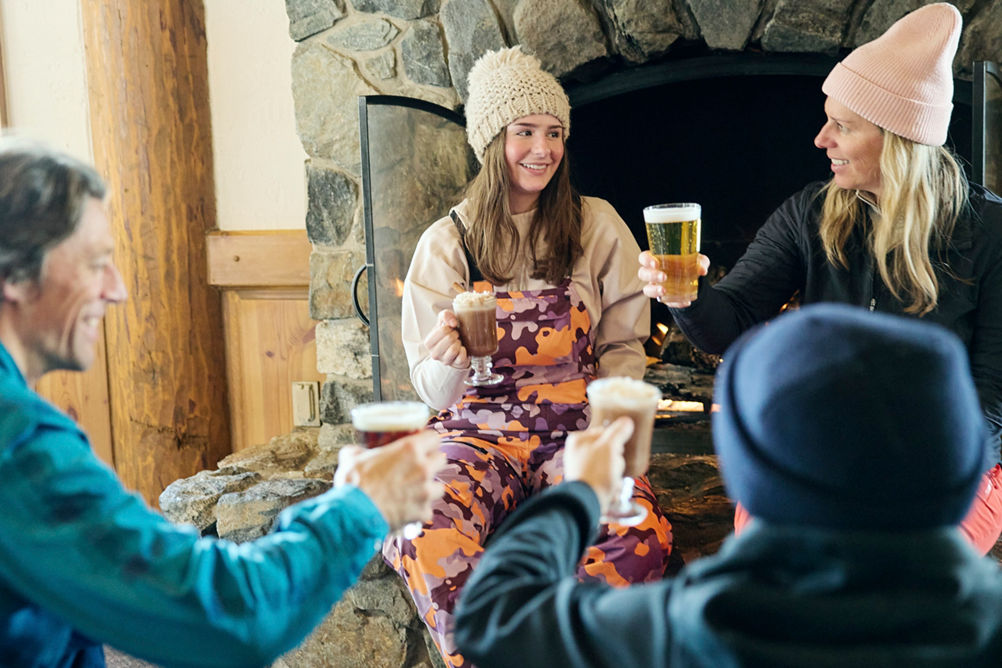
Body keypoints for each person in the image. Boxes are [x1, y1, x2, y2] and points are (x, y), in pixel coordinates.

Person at [0, 136, 446, 667]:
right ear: (14, 275)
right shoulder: (20, 446)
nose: (117, 289)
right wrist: (362, 507)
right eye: (96, 263)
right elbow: (229, 613)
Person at [638, 2, 1002, 553]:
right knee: (779, 562)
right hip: (823, 447)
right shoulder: (811, 213)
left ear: (898, 139)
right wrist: (688, 296)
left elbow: (991, 405)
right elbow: (730, 325)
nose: (820, 139)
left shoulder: (991, 231)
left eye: (842, 125)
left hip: (946, 464)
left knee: (887, 570)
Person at [455, 303, 1002, 667]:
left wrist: (580, 496)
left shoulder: (699, 621)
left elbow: (492, 615)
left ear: (751, 475)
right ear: (960, 458)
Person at [384, 46, 673, 668]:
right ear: (493, 142)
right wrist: (449, 356)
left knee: (637, 535)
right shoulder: (447, 241)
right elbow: (434, 394)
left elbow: (623, 343)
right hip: (473, 432)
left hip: (577, 427)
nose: (542, 149)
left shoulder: (595, 225)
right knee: (415, 525)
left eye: (554, 133)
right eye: (524, 132)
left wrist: (610, 427)